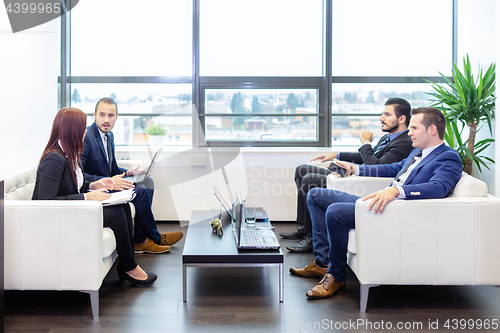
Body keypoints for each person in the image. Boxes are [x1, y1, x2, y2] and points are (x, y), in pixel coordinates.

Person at [289, 107, 463, 299]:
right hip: (379, 202)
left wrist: (398, 190)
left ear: (432, 130)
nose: (410, 132)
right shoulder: (417, 152)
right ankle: (322, 264)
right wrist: (356, 170)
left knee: (335, 211)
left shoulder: (448, 156)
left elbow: (438, 188)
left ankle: (336, 275)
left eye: (414, 128)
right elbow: (392, 168)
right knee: (315, 195)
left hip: (394, 211)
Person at [32, 107, 157, 287]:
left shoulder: (68, 154)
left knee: (121, 206)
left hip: (69, 210)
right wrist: (86, 198)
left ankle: (128, 266)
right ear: (72, 130)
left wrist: (92, 185)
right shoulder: (54, 159)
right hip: (57, 217)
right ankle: (129, 267)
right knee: (116, 213)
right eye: (82, 129)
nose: (85, 132)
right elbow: (46, 202)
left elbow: (71, 186)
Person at [281, 98, 414, 253]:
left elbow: (374, 165)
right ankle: (305, 227)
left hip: (362, 182)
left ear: (402, 118)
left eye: (386, 114)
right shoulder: (388, 137)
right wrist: (336, 154)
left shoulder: (405, 142)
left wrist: (365, 143)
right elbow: (366, 157)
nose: (381, 118)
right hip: (354, 175)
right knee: (302, 170)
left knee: (310, 179)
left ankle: (312, 237)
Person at [82, 97, 183, 254]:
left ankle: (140, 239)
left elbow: (112, 167)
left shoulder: (109, 136)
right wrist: (106, 182)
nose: (106, 120)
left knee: (147, 182)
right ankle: (155, 237)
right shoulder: (87, 138)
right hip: (97, 189)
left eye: (111, 115)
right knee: (140, 192)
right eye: (102, 115)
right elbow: (80, 176)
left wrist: (128, 173)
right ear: (94, 115)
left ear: (117, 117)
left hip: (111, 182)